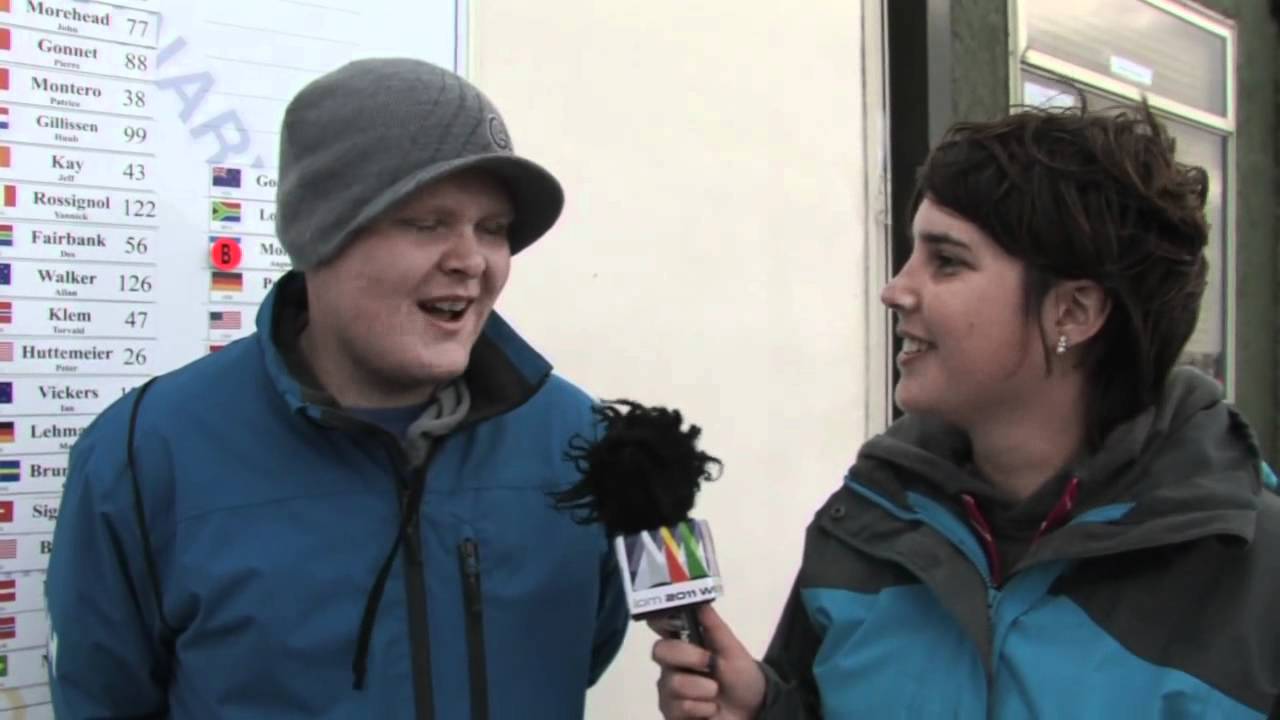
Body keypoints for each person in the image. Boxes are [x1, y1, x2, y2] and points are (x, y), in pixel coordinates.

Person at [651, 104, 1280, 718]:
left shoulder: (1253, 576)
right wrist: (764, 709)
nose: (895, 289)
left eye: (947, 261)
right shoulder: (868, 518)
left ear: (1072, 312)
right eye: (912, 255)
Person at [46, 58, 628, 718]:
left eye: (492, 229)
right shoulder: (144, 454)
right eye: (426, 223)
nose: (471, 260)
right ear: (319, 234)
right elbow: (102, 697)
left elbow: (577, 655)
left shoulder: (578, 442)